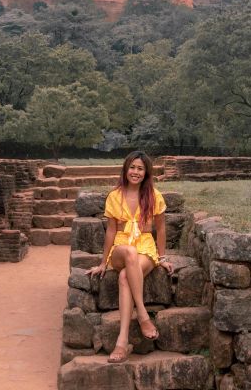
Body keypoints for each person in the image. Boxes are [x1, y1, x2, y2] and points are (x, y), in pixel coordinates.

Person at [87, 150, 174, 363]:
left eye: (140, 168)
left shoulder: (154, 196)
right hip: (121, 248)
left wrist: (162, 259)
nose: (135, 172)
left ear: (146, 173)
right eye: (132, 167)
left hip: (145, 247)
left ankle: (121, 342)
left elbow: (160, 230)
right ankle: (143, 315)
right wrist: (102, 262)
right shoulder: (114, 196)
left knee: (125, 276)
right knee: (129, 251)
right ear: (126, 169)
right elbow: (110, 231)